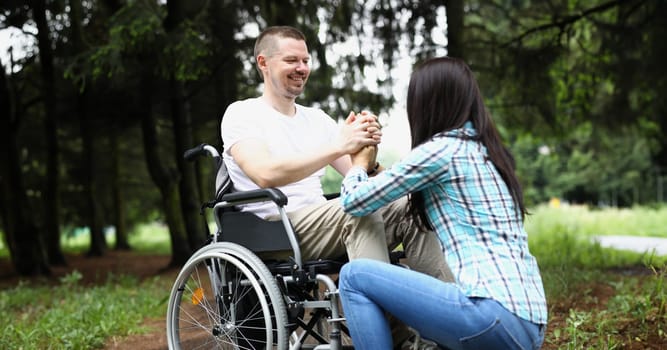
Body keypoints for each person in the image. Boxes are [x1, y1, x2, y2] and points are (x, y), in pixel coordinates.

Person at [337, 56, 548, 350]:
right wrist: (374, 169)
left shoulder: (441, 151)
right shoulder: (488, 151)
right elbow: (401, 186)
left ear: (425, 103)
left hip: (490, 315)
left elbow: (354, 202)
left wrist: (358, 166)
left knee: (353, 277)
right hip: (529, 323)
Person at [221, 26, 454, 281]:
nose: (301, 68)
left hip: (322, 222)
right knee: (358, 209)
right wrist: (340, 145)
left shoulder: (318, 120)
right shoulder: (242, 113)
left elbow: (360, 175)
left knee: (414, 205)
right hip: (272, 227)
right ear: (263, 63)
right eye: (291, 60)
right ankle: (376, 316)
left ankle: (448, 309)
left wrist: (369, 155)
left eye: (305, 61)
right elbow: (265, 174)